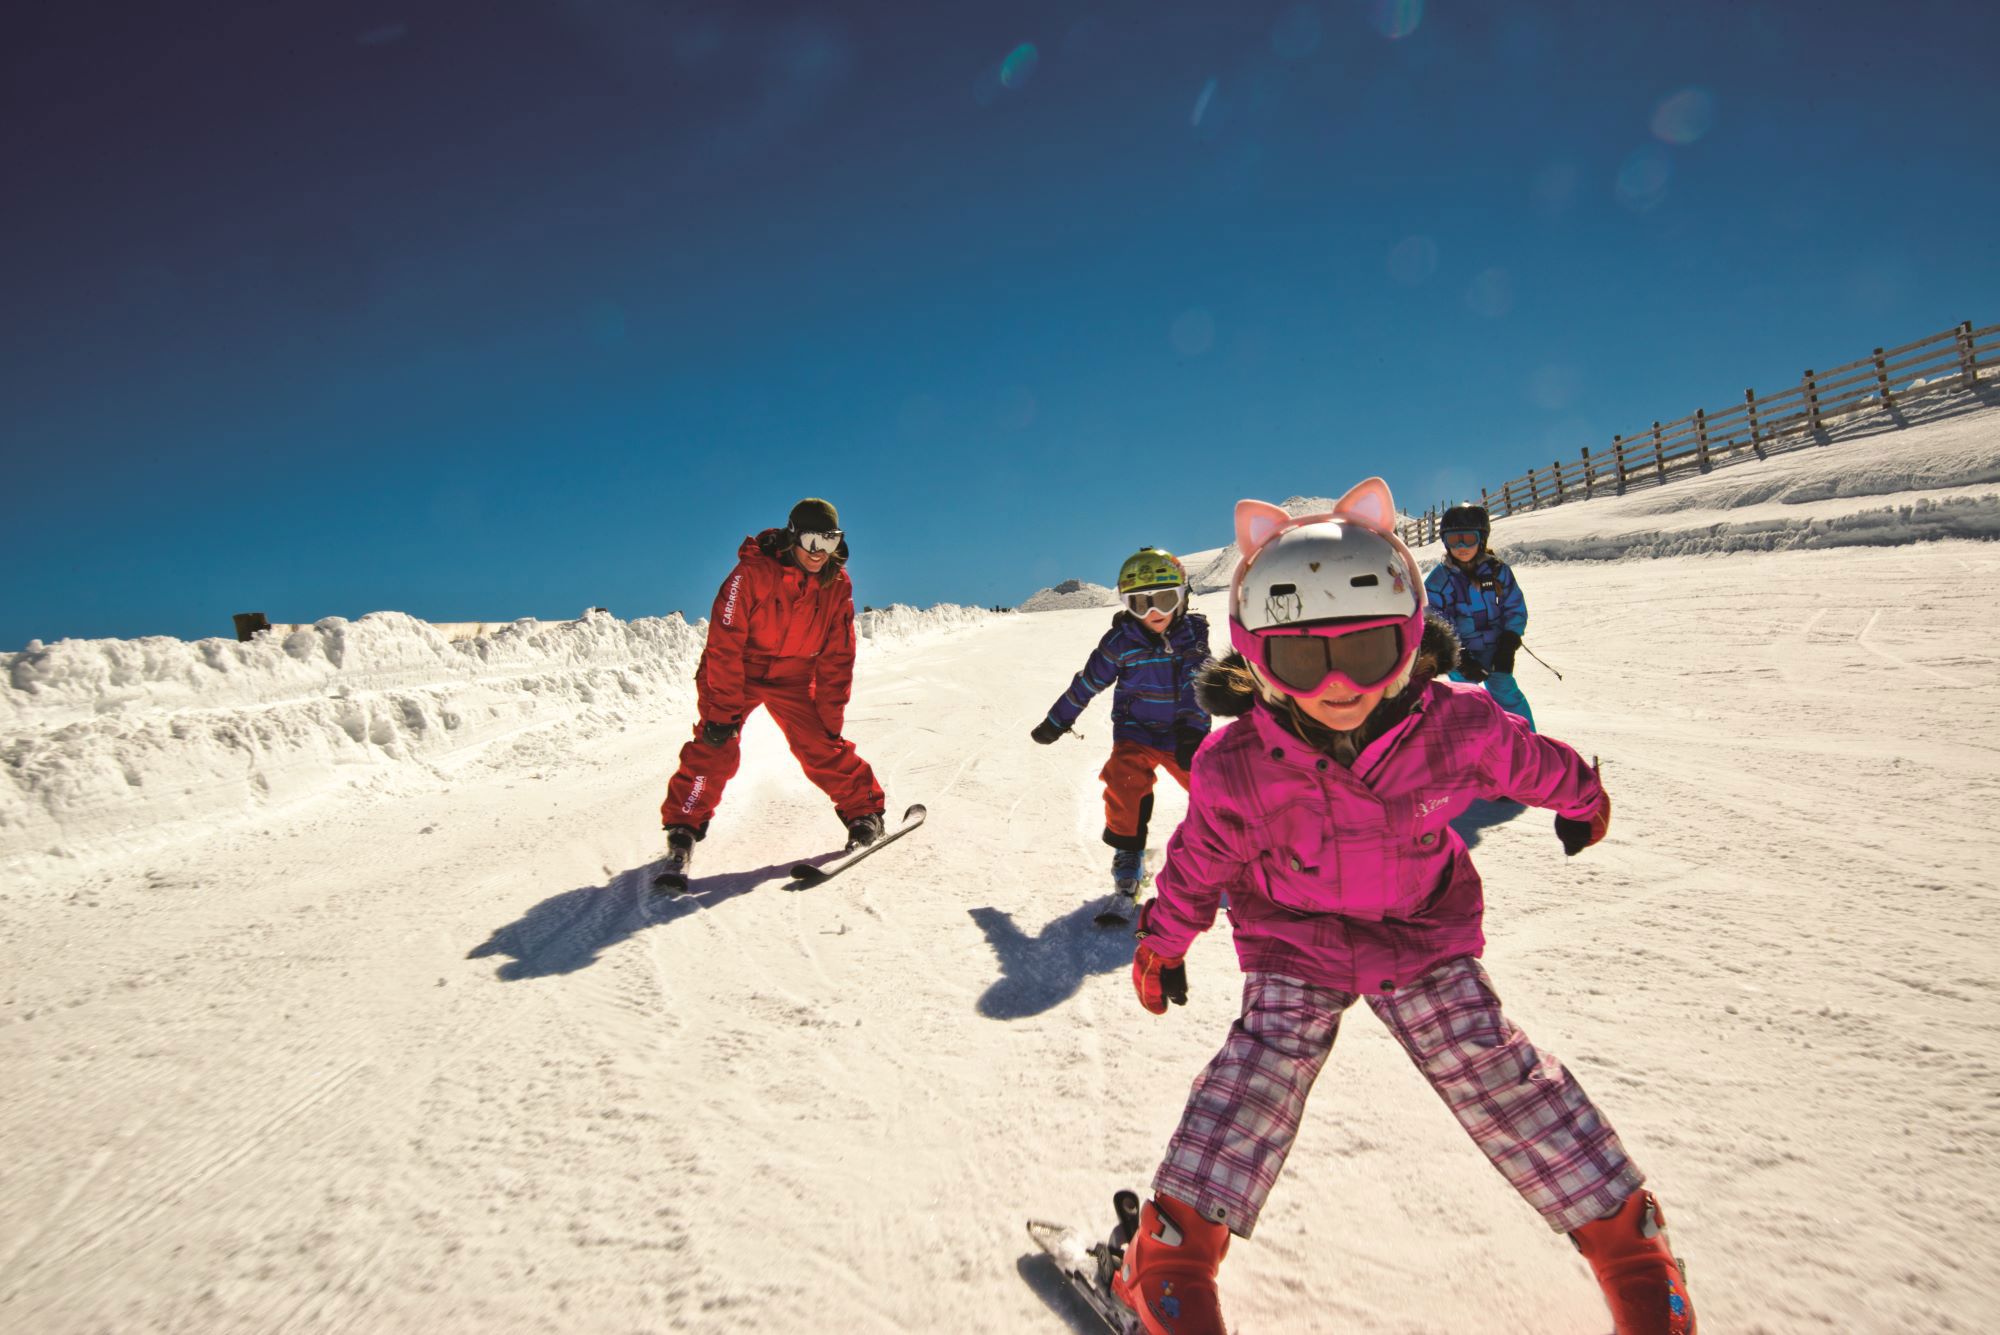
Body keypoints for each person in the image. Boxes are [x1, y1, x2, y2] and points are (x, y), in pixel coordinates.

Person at [1110, 479, 1696, 1335]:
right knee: (1256, 1078)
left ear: (1412, 636)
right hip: (1294, 940)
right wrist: (1163, 942)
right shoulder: (1241, 762)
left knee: (1493, 1068)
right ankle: (1168, 1257)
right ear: (1255, 657)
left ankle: (1632, 1249)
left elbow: (1528, 760)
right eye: (1304, 661)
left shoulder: (1451, 723)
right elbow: (1197, 863)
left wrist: (1583, 797)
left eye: (1373, 651)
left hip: (1420, 931)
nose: (1341, 683)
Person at [658, 498, 887, 882]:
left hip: (795, 676)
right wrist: (722, 711)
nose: (819, 553)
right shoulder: (750, 575)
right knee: (715, 745)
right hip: (739, 669)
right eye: (812, 541)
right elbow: (724, 643)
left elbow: (838, 653)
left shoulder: (837, 584)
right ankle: (684, 826)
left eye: (829, 543)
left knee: (821, 746)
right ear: (792, 536)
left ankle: (865, 813)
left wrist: (829, 717)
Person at [1030, 548, 1211, 900]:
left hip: (1182, 733)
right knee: (1123, 779)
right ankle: (1128, 850)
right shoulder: (1121, 642)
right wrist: (1057, 720)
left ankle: (1244, 848)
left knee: (1215, 786)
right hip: (1136, 732)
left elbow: (1197, 680)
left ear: (1183, 596)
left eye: (1164, 599)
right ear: (1127, 606)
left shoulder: (1192, 637)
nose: (1154, 612)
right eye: (1140, 604)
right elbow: (1088, 681)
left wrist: (1193, 729)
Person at [1424, 500, 1537, 730]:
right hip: (1461, 652)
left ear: (1481, 540)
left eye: (1469, 538)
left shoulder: (1497, 571)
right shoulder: (1440, 579)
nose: (1462, 546)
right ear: (1445, 543)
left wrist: (1509, 641)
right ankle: (1477, 749)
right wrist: (1457, 654)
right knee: (1467, 699)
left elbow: (1513, 605)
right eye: (1454, 540)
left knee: (1505, 689)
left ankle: (1526, 739)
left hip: (1495, 648)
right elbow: (1434, 618)